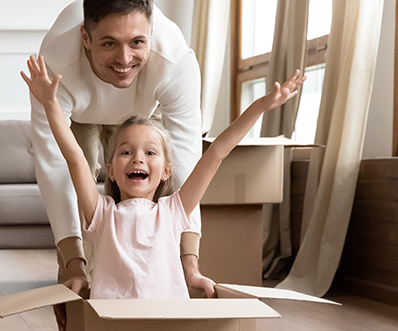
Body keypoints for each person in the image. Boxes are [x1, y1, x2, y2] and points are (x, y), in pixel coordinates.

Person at [23, 54, 305, 299]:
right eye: (125, 152)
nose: (138, 158)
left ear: (166, 171)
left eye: (150, 153)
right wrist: (50, 104)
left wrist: (260, 106)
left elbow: (217, 152)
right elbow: (74, 158)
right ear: (109, 169)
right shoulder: (101, 212)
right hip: (111, 328)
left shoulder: (174, 210)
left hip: (167, 323)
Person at [29, 0, 212, 302]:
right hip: (78, 114)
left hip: (143, 110)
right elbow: (58, 167)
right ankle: (79, 308)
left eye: (137, 42)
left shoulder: (175, 62)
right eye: (109, 43)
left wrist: (189, 262)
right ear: (86, 37)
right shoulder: (55, 64)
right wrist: (73, 264)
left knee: (153, 181)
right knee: (80, 173)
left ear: (151, 33)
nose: (124, 59)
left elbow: (185, 161)